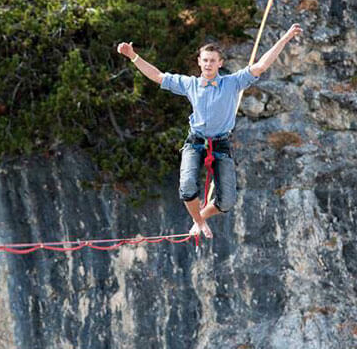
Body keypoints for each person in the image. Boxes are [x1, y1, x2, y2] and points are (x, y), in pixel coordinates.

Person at [117, 24, 303, 238]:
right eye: (204, 60)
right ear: (199, 62)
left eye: (212, 60)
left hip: (221, 144)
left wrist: (286, 37)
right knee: (187, 188)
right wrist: (133, 57)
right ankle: (199, 222)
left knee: (227, 201)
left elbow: (261, 65)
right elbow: (158, 76)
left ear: (220, 63)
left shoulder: (233, 82)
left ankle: (201, 218)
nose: (208, 64)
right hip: (195, 142)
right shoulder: (190, 84)